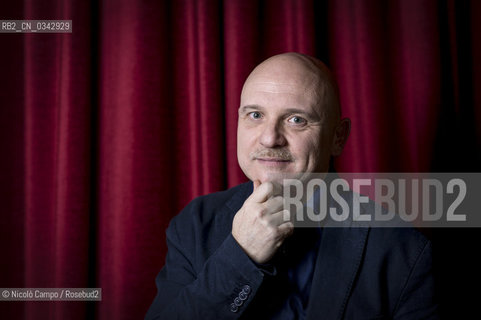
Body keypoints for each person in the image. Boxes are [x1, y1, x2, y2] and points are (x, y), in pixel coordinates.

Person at [145, 53, 438, 319]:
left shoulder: (404, 250)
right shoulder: (194, 225)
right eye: (255, 115)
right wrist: (240, 255)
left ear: (338, 137)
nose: (270, 138)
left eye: (296, 120)